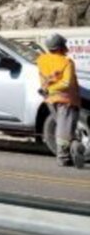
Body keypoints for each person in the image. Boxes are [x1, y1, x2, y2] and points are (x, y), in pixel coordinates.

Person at [37, 33, 81, 166]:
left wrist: (48, 90)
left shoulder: (42, 60)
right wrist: (54, 89)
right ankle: (63, 157)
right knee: (64, 129)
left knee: (64, 127)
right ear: (61, 47)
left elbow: (43, 79)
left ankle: (72, 148)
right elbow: (67, 83)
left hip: (50, 99)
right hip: (66, 99)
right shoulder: (66, 62)